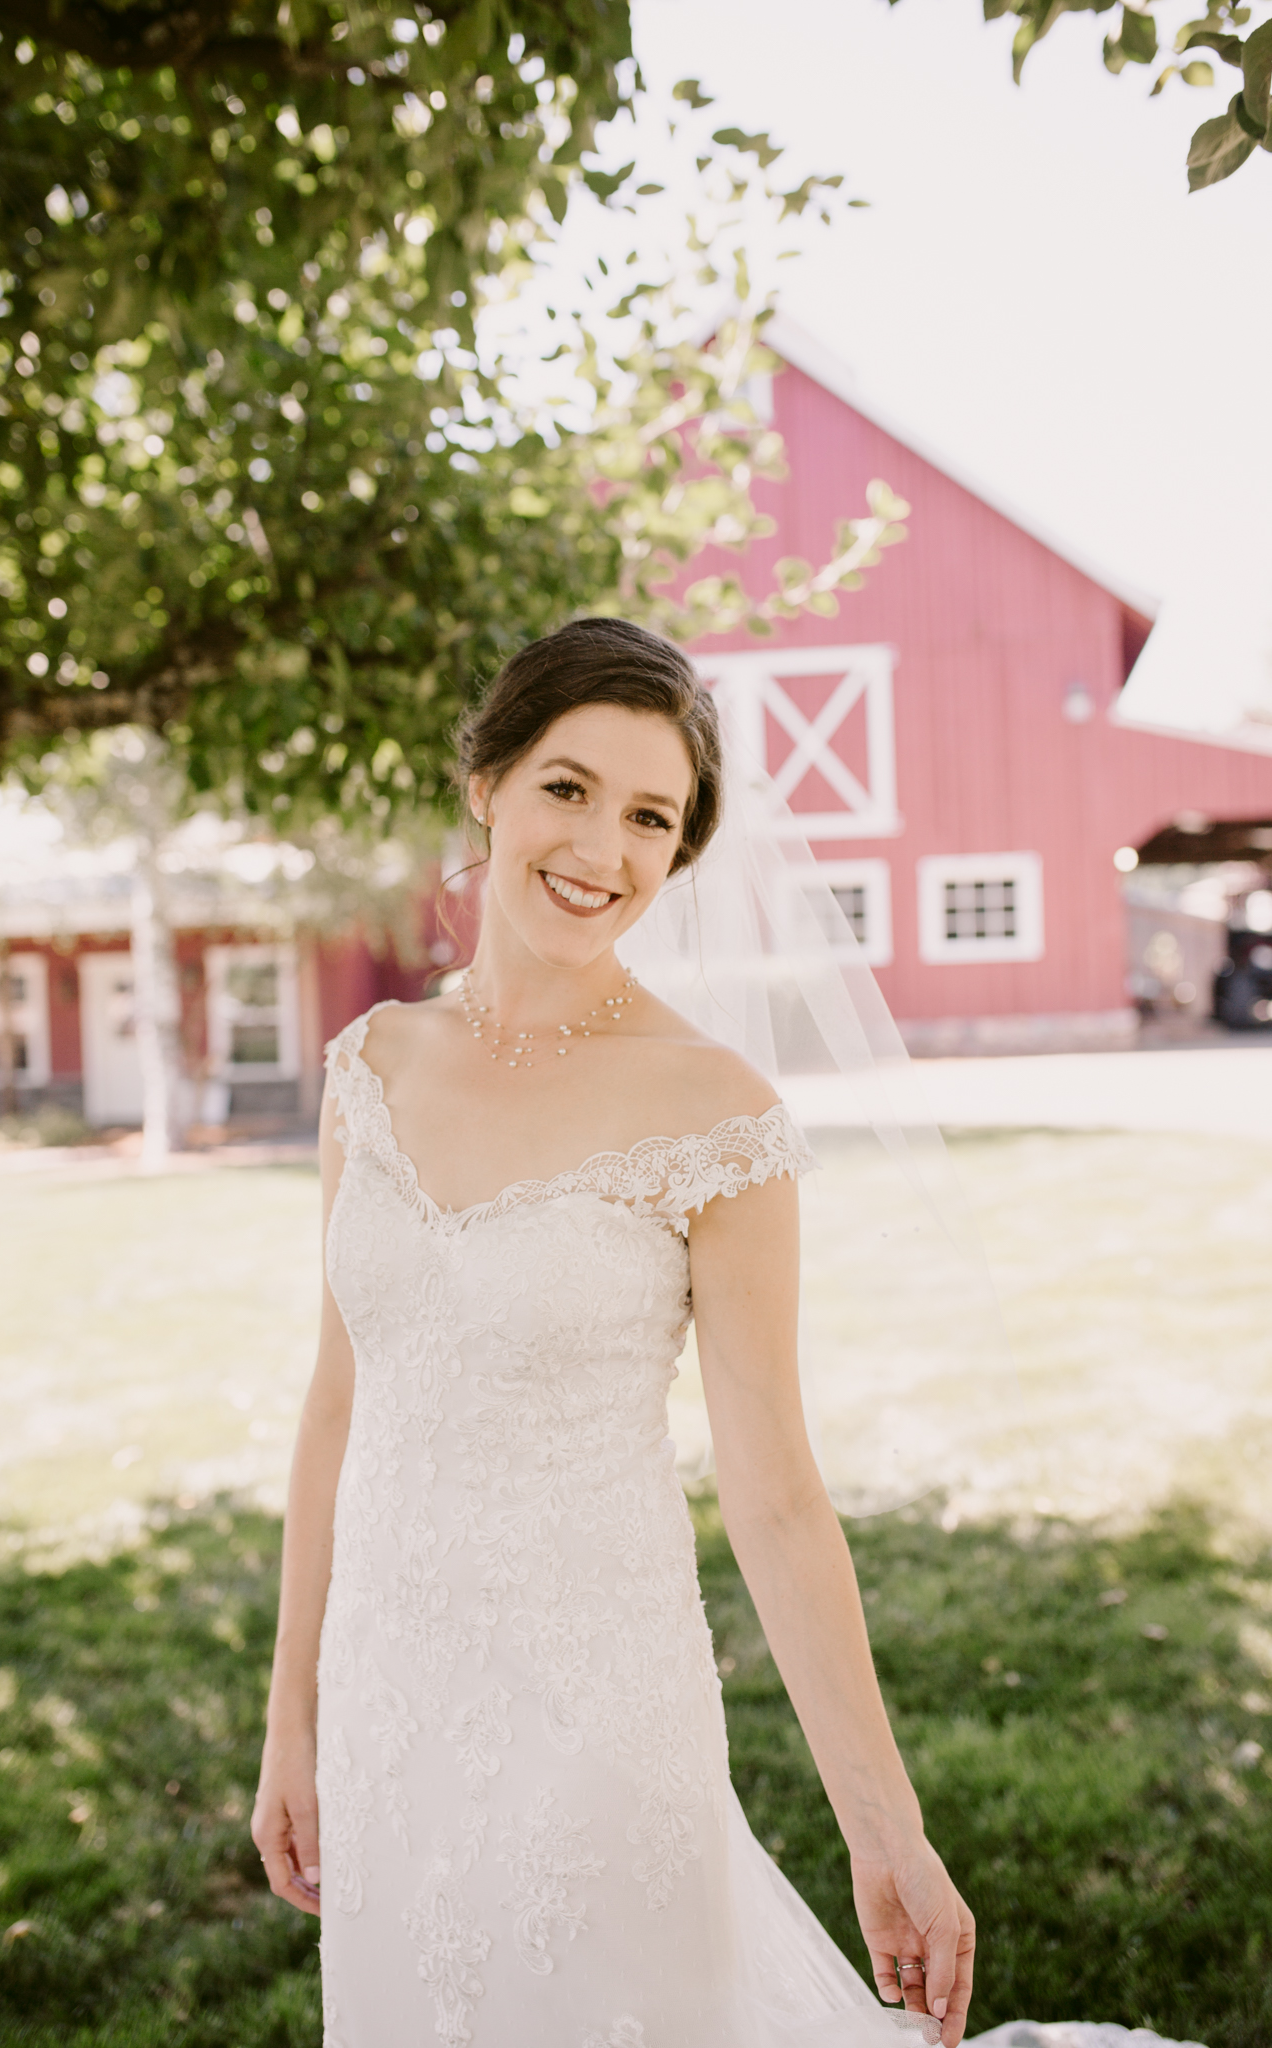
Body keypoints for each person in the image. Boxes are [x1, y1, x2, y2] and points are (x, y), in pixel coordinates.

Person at [251, 617, 975, 2048]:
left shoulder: (716, 1115)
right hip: (390, 1700)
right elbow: (340, 1400)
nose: (602, 847)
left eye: (651, 816)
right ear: (488, 783)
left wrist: (883, 1829)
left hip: (597, 1716)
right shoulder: (371, 1067)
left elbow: (773, 1496)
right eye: (569, 788)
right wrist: (294, 1715)